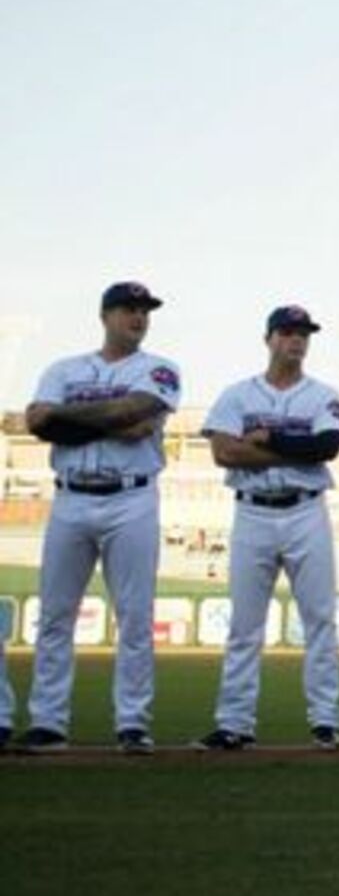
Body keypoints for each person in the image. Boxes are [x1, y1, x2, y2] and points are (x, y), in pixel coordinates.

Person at [20, 281, 180, 755]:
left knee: (134, 616)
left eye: (144, 310)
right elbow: (37, 422)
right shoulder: (63, 367)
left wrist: (66, 418)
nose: (139, 317)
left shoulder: (159, 369)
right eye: (128, 309)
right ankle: (48, 721)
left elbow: (140, 414)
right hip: (70, 498)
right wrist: (111, 420)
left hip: (131, 499)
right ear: (105, 315)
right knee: (54, 614)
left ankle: (132, 722)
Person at [195, 305, 339, 752]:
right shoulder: (237, 395)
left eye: (303, 334)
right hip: (253, 512)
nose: (296, 341)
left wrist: (272, 440)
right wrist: (296, 453)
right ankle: (234, 723)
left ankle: (325, 719)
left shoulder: (322, 394)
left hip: (306, 512)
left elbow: (328, 446)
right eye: (287, 332)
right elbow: (226, 454)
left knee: (320, 619)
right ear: (269, 339)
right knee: (245, 624)